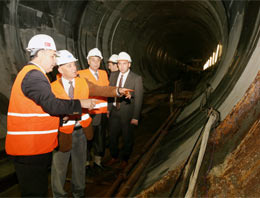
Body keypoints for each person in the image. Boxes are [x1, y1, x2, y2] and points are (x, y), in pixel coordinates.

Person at [5, 34, 95, 197]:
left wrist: (62, 118)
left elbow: (40, 109)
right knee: (35, 193)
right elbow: (52, 105)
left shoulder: (35, 75)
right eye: (53, 56)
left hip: (34, 147)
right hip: (29, 148)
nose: (54, 61)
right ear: (41, 54)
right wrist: (80, 103)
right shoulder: (34, 75)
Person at [51, 50, 132, 197]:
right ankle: (59, 195)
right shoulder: (53, 88)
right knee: (59, 168)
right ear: (60, 69)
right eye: (69, 66)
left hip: (81, 131)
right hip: (63, 133)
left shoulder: (82, 82)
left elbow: (101, 89)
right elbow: (51, 108)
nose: (74, 68)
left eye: (74, 64)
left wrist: (118, 91)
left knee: (79, 165)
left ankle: (79, 193)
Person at [107, 52, 144, 169]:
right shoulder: (113, 75)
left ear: (129, 64)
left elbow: (138, 98)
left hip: (127, 113)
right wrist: (108, 109)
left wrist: (136, 117)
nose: (121, 66)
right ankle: (114, 156)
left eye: (124, 64)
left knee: (127, 137)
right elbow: (109, 93)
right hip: (114, 111)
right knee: (112, 136)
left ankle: (125, 158)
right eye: (119, 64)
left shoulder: (136, 78)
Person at [78, 48, 109, 172]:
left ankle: (97, 162)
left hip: (101, 112)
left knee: (100, 138)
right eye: (93, 60)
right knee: (86, 138)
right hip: (88, 112)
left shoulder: (103, 73)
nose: (96, 63)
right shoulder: (81, 73)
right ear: (88, 61)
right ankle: (85, 163)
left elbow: (106, 90)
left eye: (98, 60)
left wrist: (107, 109)